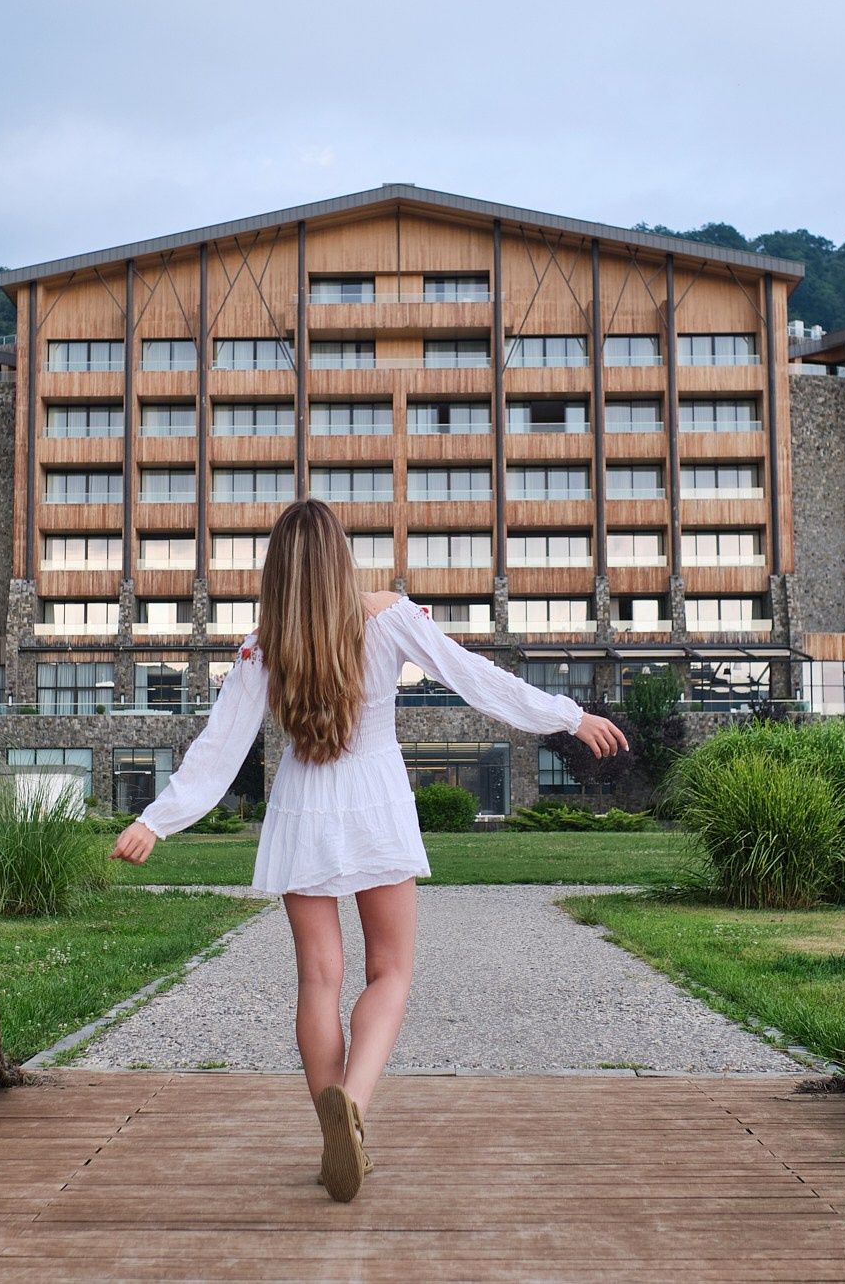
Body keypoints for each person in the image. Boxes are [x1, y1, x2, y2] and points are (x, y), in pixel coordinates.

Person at [109, 498, 627, 1202]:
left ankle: (334, 1127)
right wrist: (571, 715)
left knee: (319, 980)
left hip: (301, 809)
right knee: (391, 974)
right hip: (377, 803)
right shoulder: (389, 616)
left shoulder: (263, 645)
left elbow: (218, 750)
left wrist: (157, 821)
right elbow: (477, 679)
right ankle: (352, 1105)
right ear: (341, 556)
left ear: (279, 570)